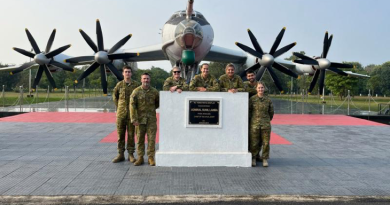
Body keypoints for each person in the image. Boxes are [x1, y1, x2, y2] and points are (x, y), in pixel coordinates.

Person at [112, 65, 140, 163]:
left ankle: (131, 154)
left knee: (131, 135)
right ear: (123, 73)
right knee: (120, 135)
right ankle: (120, 154)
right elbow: (115, 97)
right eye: (126, 72)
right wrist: (120, 107)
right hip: (121, 115)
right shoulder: (119, 85)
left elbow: (138, 98)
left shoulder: (136, 85)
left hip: (132, 115)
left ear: (131, 73)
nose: (127, 73)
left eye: (129, 71)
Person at [130, 73, 160, 166]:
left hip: (151, 120)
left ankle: (151, 157)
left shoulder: (154, 92)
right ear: (141, 80)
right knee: (140, 139)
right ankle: (140, 157)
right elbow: (132, 105)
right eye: (144, 79)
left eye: (147, 79)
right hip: (139, 120)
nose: (146, 80)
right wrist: (133, 118)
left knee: (151, 139)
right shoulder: (136, 91)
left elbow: (157, 104)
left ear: (149, 80)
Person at [249, 81, 274, 167]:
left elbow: (271, 112)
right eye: (259, 88)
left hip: (265, 124)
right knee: (254, 142)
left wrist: (266, 120)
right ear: (256, 89)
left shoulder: (268, 100)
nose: (260, 89)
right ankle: (253, 158)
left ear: (264, 89)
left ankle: (264, 158)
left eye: (262, 88)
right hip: (254, 124)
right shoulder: (252, 99)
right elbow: (249, 111)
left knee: (266, 143)